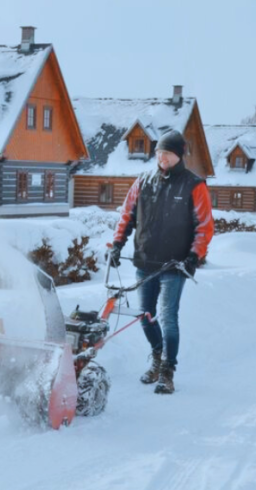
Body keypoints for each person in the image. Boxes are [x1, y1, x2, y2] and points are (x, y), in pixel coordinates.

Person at [108, 130, 214, 394]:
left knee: (168, 317)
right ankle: (157, 357)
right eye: (158, 153)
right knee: (145, 316)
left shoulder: (193, 185)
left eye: (166, 152)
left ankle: (167, 371)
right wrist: (117, 245)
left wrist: (194, 256)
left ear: (178, 155)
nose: (161, 157)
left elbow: (204, 226)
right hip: (145, 261)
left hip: (175, 266)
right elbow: (126, 215)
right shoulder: (143, 181)